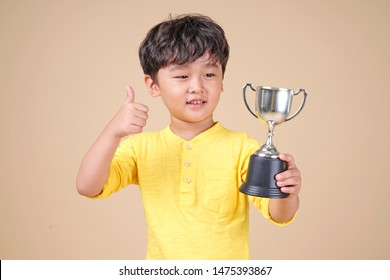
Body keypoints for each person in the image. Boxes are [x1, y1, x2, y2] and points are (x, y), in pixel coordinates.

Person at [76, 14, 302, 260]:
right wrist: (113, 132)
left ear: (222, 82)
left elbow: (280, 214)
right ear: (153, 86)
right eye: (182, 76)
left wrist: (287, 191)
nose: (197, 86)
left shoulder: (243, 148)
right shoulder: (141, 148)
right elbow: (87, 186)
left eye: (209, 74)